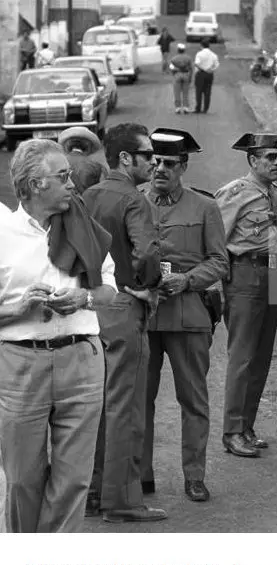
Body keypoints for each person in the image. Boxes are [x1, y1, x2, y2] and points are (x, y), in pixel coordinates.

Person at [0, 139, 116, 532]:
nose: (72, 185)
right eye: (62, 176)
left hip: (82, 361)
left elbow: (110, 289)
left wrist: (84, 296)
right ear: (35, 184)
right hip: (20, 365)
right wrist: (17, 309)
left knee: (73, 481)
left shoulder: (84, 225)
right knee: (21, 481)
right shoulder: (3, 232)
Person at [82, 123, 166, 523]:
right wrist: (145, 286)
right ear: (125, 159)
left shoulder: (88, 196)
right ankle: (122, 501)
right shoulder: (135, 200)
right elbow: (147, 251)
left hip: (90, 308)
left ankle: (93, 492)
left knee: (95, 405)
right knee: (126, 408)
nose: (155, 161)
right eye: (148, 155)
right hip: (123, 308)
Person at [140, 128, 228, 502]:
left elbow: (220, 261)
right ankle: (139, 475)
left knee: (192, 399)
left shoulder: (204, 207)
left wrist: (188, 280)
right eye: (155, 161)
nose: (160, 169)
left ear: (184, 166)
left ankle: (194, 475)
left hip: (187, 313)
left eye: (169, 163)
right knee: (137, 399)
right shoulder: (134, 201)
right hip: (142, 315)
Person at [215, 133, 277, 458]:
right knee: (242, 356)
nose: (276, 163)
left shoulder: (275, 192)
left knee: (261, 356)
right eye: (270, 157)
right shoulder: (235, 193)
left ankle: (247, 426)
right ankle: (232, 431)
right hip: (244, 274)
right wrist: (217, 286)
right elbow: (215, 243)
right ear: (252, 160)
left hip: (271, 274)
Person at [193, 39, 219, 114]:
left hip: (201, 73)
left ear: (201, 45)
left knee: (199, 91)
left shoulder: (199, 54)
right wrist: (211, 70)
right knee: (207, 91)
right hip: (209, 74)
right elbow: (217, 65)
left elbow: (197, 64)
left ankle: (198, 108)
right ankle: (205, 108)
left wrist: (203, 69)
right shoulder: (213, 55)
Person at [169, 43, 193, 114]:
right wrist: (190, 77)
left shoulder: (174, 58)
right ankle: (186, 107)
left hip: (177, 75)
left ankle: (178, 108)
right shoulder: (188, 58)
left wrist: (174, 73)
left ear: (178, 50)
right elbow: (191, 68)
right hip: (186, 74)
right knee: (185, 92)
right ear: (184, 50)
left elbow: (171, 68)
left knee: (177, 92)